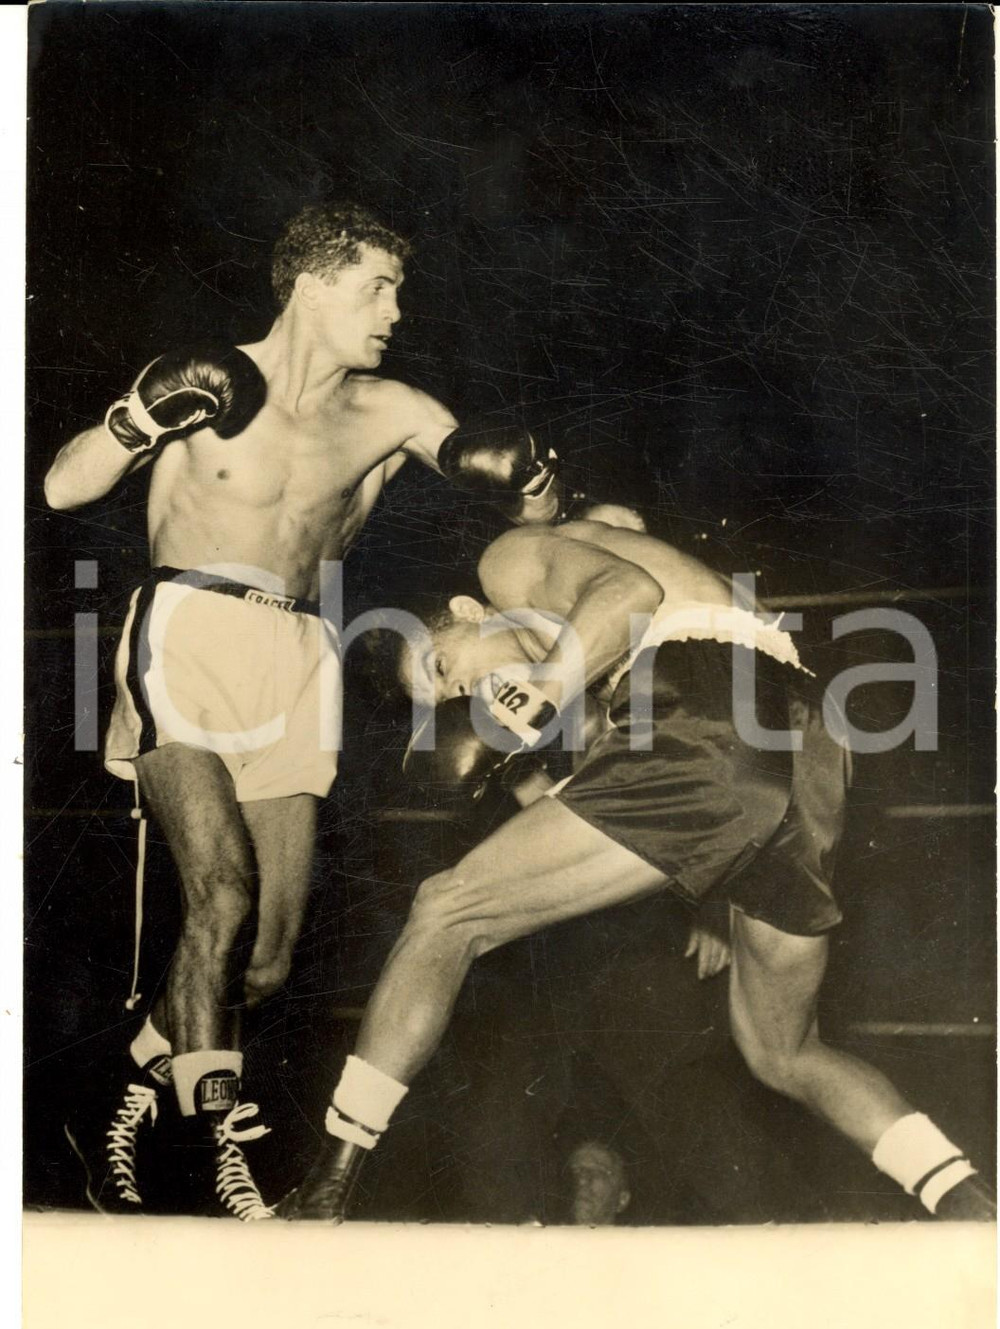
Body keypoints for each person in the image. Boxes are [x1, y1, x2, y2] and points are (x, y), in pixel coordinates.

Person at [46, 201, 562, 1219]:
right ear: (311, 284)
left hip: (299, 652)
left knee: (267, 958)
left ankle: (121, 1085)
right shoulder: (209, 376)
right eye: (378, 286)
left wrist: (532, 476)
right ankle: (220, 1157)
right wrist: (137, 418)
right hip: (188, 627)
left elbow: (529, 503)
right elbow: (65, 486)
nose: (396, 311)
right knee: (221, 895)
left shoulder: (391, 410)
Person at [278, 516, 995, 1223]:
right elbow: (662, 798)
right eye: (451, 702)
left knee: (446, 909)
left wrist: (544, 693)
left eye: (444, 666)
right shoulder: (586, 665)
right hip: (808, 741)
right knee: (782, 1050)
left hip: (710, 706)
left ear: (468, 611)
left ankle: (327, 1185)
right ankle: (966, 1203)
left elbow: (630, 592)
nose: (467, 693)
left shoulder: (507, 563)